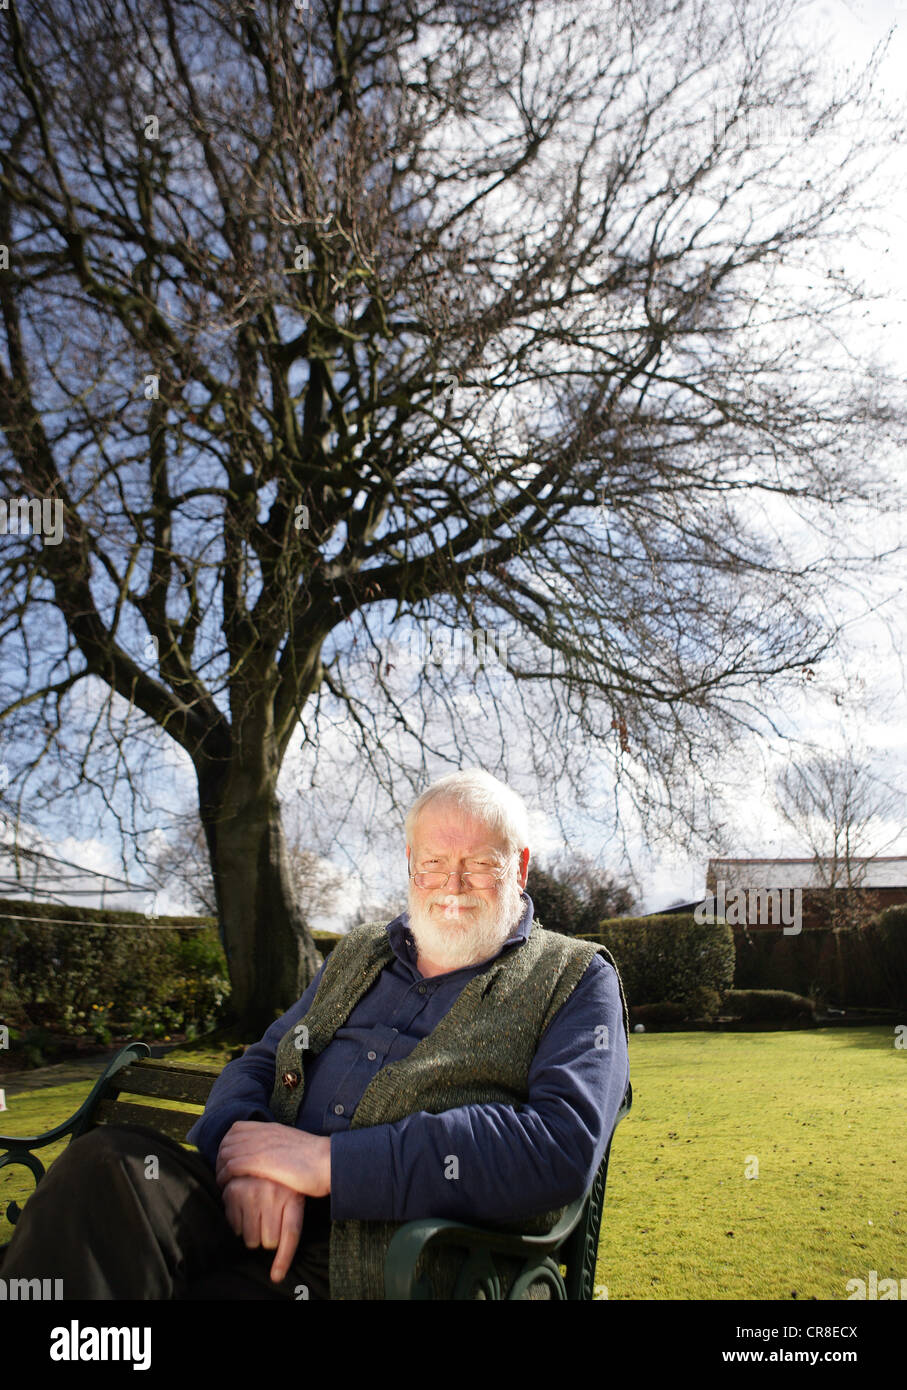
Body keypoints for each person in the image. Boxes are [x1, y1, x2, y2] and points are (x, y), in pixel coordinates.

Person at [1, 768, 630, 1299]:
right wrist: (250, 1160)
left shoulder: (574, 976)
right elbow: (260, 1061)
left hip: (385, 1257)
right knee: (103, 1167)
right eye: (434, 864)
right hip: (249, 1214)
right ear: (410, 864)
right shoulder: (359, 953)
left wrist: (326, 1165)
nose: (452, 888)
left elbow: (558, 1145)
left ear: (519, 866)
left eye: (479, 865)